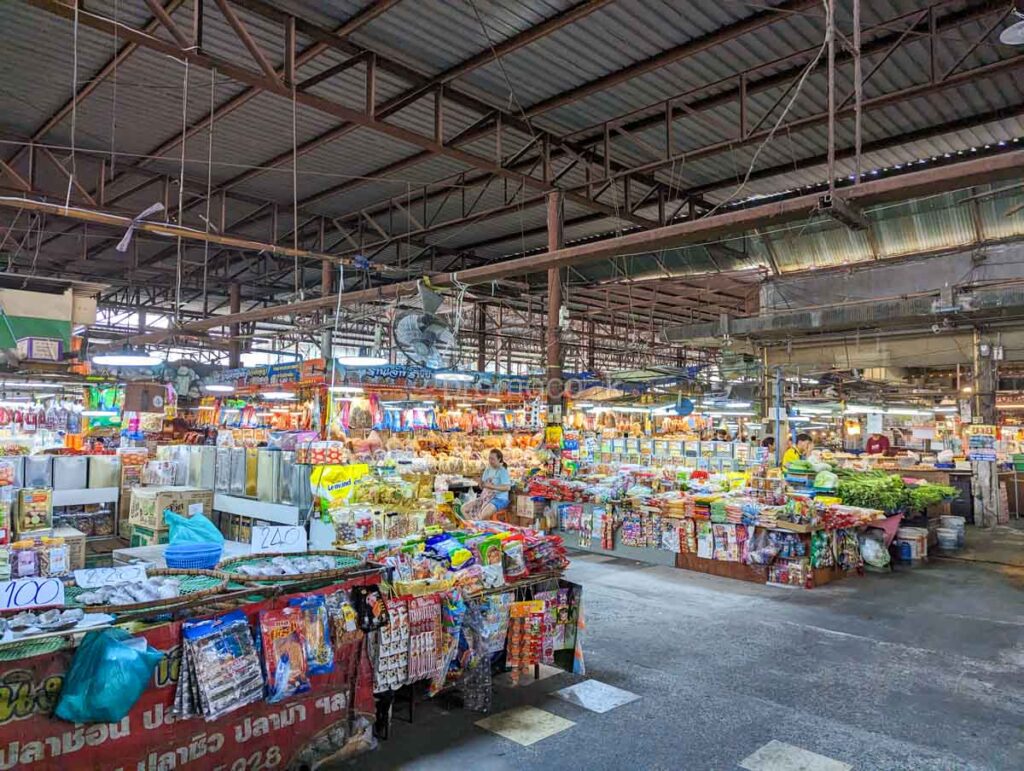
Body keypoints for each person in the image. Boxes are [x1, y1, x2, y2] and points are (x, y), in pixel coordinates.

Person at [461, 449, 512, 520]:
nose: (490, 461)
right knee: (464, 509)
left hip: (499, 499)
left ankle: (479, 527)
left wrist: (491, 486)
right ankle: (474, 527)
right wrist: (479, 482)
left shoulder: (502, 471)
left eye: (493, 459)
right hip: (486, 497)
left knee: (482, 515)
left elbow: (507, 487)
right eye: (489, 458)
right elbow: (482, 488)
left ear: (499, 459)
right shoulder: (488, 469)